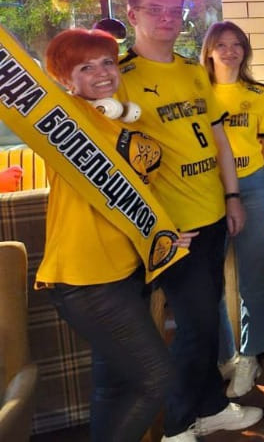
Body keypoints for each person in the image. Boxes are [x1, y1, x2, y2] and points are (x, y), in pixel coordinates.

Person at [118, 0, 261, 441]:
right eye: (154, 9)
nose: (166, 18)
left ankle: (211, 406)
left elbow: (219, 139)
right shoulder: (120, 77)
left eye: (174, 11)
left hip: (213, 213)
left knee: (207, 318)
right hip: (173, 227)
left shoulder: (192, 71)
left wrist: (232, 196)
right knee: (196, 325)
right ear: (132, 13)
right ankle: (178, 424)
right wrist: (150, 227)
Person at [39, 28, 191, 442]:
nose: (102, 72)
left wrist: (162, 236)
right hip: (86, 280)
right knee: (157, 378)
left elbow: (132, 198)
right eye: (85, 68)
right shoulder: (64, 120)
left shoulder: (114, 120)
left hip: (124, 272)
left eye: (107, 62)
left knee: (114, 384)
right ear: (65, 80)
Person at [202, 21, 264, 398]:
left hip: (254, 187)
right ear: (209, 51)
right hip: (207, 191)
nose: (230, 51)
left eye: (237, 44)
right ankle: (225, 357)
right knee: (209, 283)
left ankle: (251, 357)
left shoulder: (258, 94)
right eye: (222, 45)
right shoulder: (196, 93)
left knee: (253, 279)